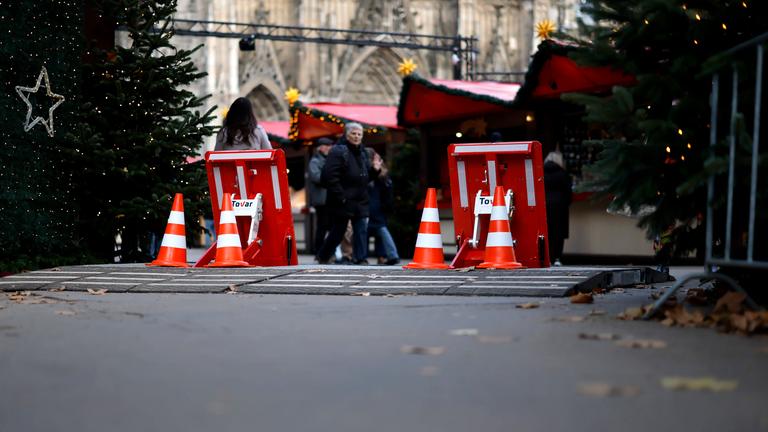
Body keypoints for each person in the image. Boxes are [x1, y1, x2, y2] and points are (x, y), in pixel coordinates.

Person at [315, 122, 381, 265]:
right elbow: (328, 176)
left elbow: (365, 177)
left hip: (360, 199)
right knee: (339, 230)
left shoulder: (363, 152)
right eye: (353, 133)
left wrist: (375, 170)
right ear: (347, 134)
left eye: (359, 134)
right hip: (343, 199)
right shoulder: (339, 150)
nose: (357, 137)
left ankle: (360, 258)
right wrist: (341, 196)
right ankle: (323, 255)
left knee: (361, 228)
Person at [365, 148, 400, 265]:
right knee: (379, 231)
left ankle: (388, 255)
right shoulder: (384, 174)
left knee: (368, 231)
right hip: (381, 207)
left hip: (373, 207)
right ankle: (385, 255)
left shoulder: (373, 173)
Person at [543, 151, 572, 266]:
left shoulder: (540, 172)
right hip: (560, 206)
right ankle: (557, 258)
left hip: (544, 205)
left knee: (546, 232)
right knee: (559, 233)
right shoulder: (563, 173)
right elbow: (568, 193)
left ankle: (547, 257)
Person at [307, 137, 333, 254]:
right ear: (320, 148)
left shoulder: (328, 159)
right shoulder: (315, 161)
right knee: (322, 226)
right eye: (326, 145)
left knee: (328, 226)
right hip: (321, 199)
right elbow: (316, 178)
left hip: (329, 198)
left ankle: (326, 251)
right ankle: (318, 251)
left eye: (329, 145)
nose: (328, 148)